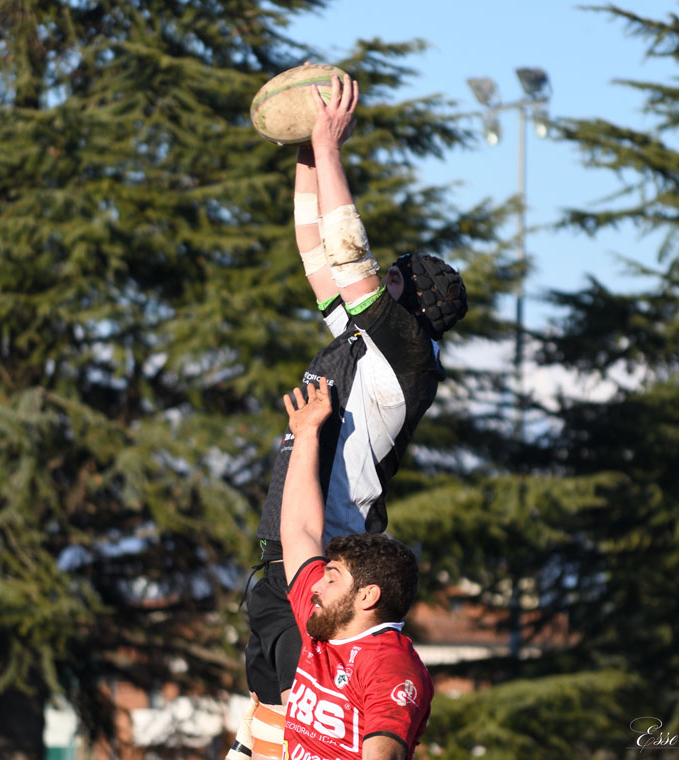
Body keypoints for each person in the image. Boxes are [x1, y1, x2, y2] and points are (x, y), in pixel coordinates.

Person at [227, 71, 466, 760]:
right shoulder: (367, 346)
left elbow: (346, 251)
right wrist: (306, 147)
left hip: (323, 563)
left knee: (298, 720)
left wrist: (330, 147)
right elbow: (317, 253)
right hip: (293, 557)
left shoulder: (404, 353)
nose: (374, 280)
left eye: (391, 280)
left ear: (408, 303)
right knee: (272, 714)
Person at [281, 377, 434, 760]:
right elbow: (300, 531)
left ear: (367, 596)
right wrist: (306, 433)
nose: (316, 585)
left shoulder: (391, 667)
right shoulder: (326, 624)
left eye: (332, 577)